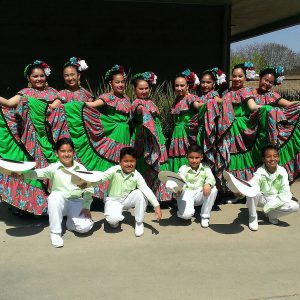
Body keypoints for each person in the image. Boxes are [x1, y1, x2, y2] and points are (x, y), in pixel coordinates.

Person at [19, 138, 94, 247]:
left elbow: (88, 188)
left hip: (76, 201)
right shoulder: (54, 168)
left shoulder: (80, 168)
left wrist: (86, 206)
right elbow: (39, 173)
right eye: (63, 151)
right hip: (60, 203)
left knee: (85, 228)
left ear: (73, 152)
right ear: (57, 153)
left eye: (69, 151)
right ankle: (55, 233)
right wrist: (22, 175)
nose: (66, 154)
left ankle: (70, 223)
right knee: (54, 197)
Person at [216, 62, 262, 190]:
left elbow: (252, 107)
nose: (237, 79)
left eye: (240, 76)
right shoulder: (226, 92)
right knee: (230, 156)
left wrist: (270, 108)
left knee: (241, 155)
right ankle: (233, 189)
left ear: (245, 77)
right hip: (227, 128)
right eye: (234, 76)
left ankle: (244, 187)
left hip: (240, 127)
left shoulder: (246, 91)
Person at [97, 147, 162, 237]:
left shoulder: (136, 175)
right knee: (113, 222)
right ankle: (115, 219)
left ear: (136, 162)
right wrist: (88, 183)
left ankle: (139, 222)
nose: (129, 164)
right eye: (126, 161)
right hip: (113, 200)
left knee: (140, 193)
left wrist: (156, 205)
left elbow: (146, 189)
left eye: (132, 161)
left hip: (126, 200)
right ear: (120, 162)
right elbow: (101, 178)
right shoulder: (114, 170)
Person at [253, 66, 300, 182]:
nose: (267, 83)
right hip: (252, 131)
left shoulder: (273, 95)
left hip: (269, 133)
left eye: (271, 82)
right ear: (260, 78)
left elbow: (290, 105)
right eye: (265, 80)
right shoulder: (249, 92)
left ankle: (276, 183)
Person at [130, 71, 170, 201]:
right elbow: (139, 109)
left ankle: (160, 196)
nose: (144, 91)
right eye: (140, 88)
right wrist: (143, 111)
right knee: (144, 165)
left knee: (160, 163)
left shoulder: (151, 102)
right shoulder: (137, 103)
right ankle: (144, 196)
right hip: (143, 137)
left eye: (146, 88)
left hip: (157, 136)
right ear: (135, 89)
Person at [245, 145, 299, 231]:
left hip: (275, 198)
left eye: (275, 156)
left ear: (279, 157)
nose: (272, 159)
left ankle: (272, 215)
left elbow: (285, 193)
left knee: (294, 206)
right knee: (252, 191)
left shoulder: (282, 171)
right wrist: (240, 191)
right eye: (269, 157)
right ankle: (253, 217)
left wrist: (268, 207)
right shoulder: (260, 171)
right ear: (263, 159)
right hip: (261, 198)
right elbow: (252, 183)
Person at [174, 144, 218, 228]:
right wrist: (178, 190)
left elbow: (211, 178)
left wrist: (207, 184)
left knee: (213, 189)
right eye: (191, 157)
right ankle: (184, 210)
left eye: (197, 158)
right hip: (186, 193)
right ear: (186, 157)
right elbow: (179, 181)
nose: (194, 161)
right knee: (186, 216)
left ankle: (205, 216)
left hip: (199, 194)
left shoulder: (205, 167)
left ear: (201, 157)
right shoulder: (183, 168)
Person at [168, 69, 201, 173]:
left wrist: (210, 101)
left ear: (188, 86)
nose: (179, 88)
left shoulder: (190, 98)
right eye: (177, 85)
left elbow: (197, 106)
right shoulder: (177, 100)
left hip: (186, 133)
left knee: (186, 154)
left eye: (182, 85)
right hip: (177, 133)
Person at [196, 68, 225, 170]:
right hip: (201, 130)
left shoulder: (213, 94)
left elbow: (219, 101)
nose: (205, 85)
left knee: (211, 152)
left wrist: (226, 100)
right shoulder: (198, 96)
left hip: (212, 129)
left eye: (208, 82)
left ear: (214, 84)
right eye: (203, 82)